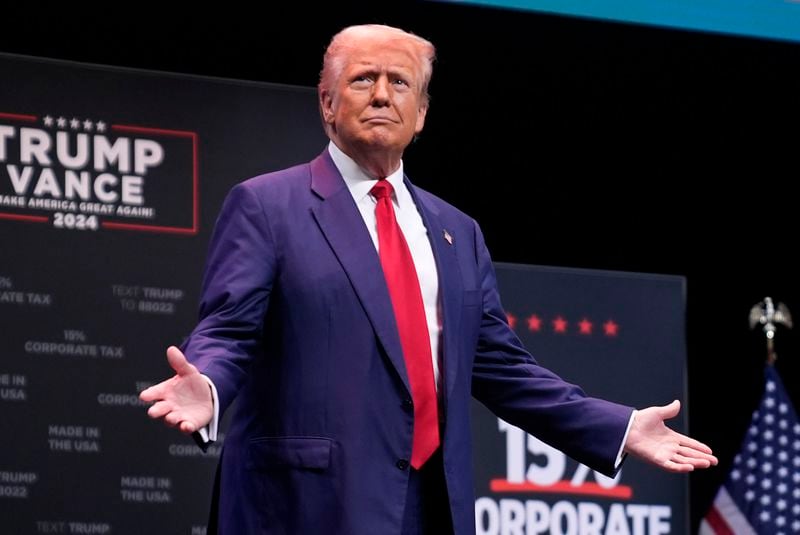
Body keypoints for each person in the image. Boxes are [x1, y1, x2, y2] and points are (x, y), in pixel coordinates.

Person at [139, 24, 717, 535]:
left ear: (421, 113)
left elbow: (501, 366)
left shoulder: (456, 230)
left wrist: (617, 427)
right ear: (327, 103)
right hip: (307, 505)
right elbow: (229, 331)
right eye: (364, 79)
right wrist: (208, 384)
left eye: (400, 82)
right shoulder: (268, 206)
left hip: (432, 506)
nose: (383, 95)